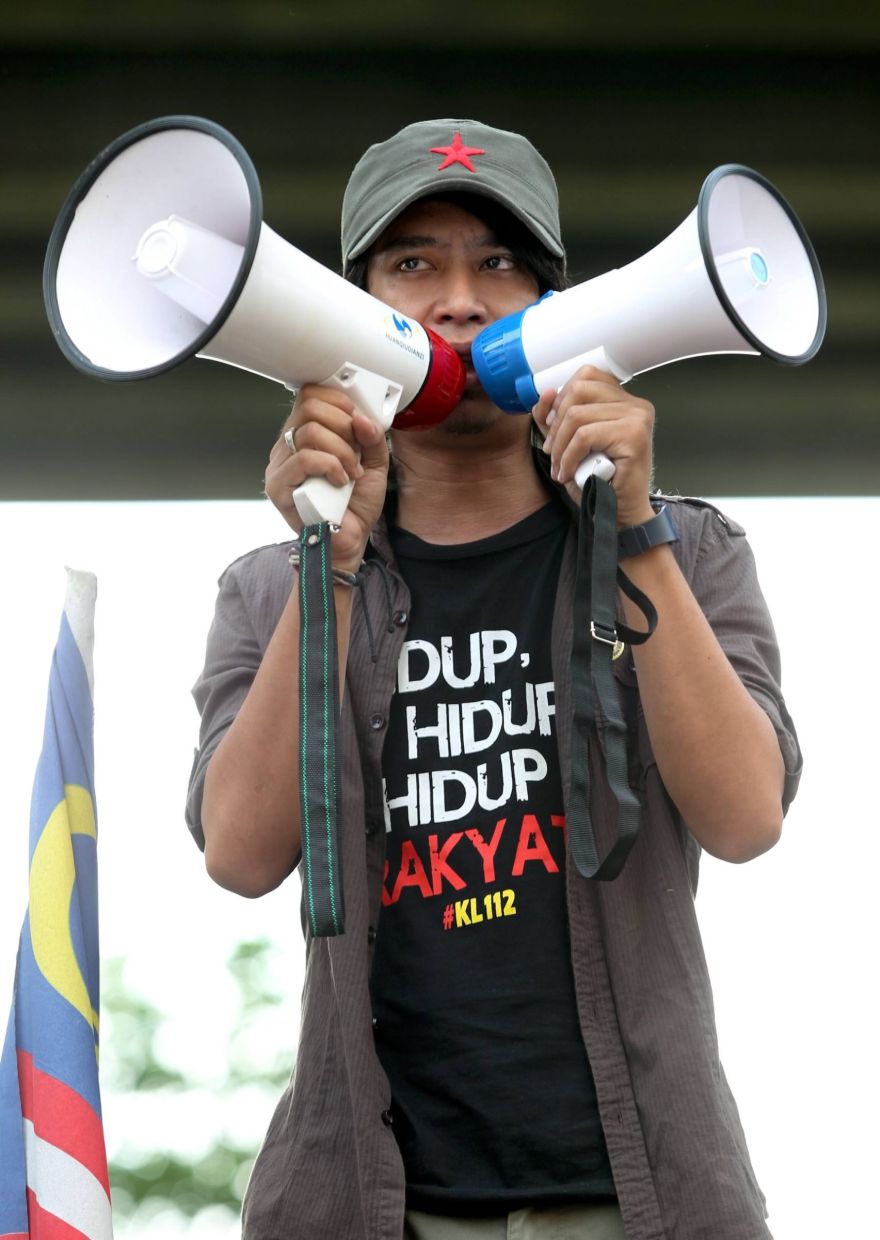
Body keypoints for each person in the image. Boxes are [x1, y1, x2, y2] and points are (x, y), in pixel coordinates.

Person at [185, 119, 802, 1240]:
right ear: (352, 307)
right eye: (411, 265)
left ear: (559, 310)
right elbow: (240, 851)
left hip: (642, 1193)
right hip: (371, 1206)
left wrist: (632, 527)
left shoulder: (692, 551)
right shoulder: (269, 592)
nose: (458, 301)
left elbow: (746, 813)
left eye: (499, 264)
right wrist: (326, 559)